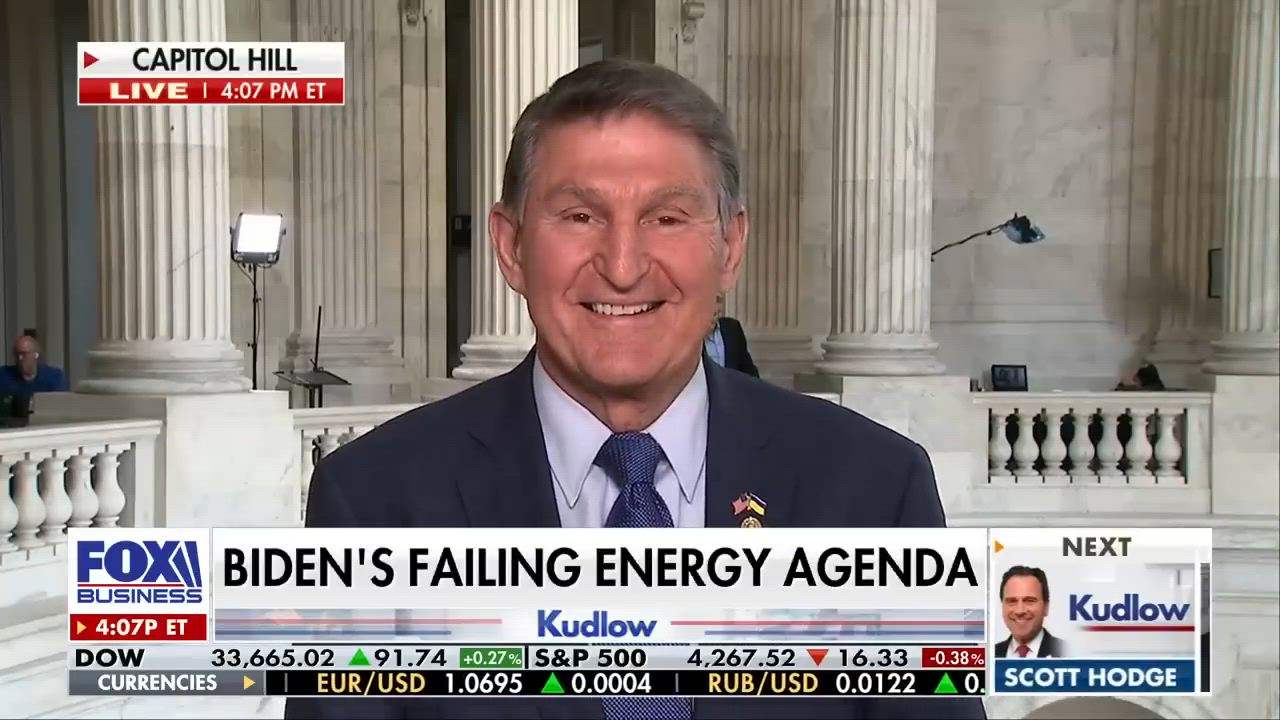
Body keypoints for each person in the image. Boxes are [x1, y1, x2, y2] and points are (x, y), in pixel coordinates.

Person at [288, 60, 983, 720]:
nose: (622, 267)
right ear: (511, 247)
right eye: (580, 216)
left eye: (667, 217)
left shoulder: (875, 489)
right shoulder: (375, 502)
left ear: (731, 248)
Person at [994, 566, 1066, 658]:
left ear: (1046, 607)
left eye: (1029, 601)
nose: (1019, 611)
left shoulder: (1068, 653)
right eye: (1012, 601)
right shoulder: (989, 654)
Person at [704, 295, 758, 377]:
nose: (715, 309)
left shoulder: (732, 328)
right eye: (709, 302)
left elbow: (747, 368)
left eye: (718, 301)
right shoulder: (689, 334)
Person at [0, 333, 67, 395]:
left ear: (36, 355)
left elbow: (59, 402)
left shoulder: (54, 376)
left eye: (24, 353)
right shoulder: (3, 375)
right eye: (17, 354)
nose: (20, 357)